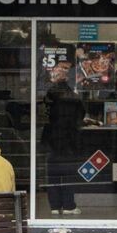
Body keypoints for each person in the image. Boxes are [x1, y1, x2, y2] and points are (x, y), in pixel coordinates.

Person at [43, 68, 83, 216]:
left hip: (52, 138)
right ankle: (68, 205)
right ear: (66, 79)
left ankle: (54, 206)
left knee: (52, 173)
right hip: (69, 138)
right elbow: (80, 116)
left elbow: (44, 115)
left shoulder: (48, 96)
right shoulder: (74, 96)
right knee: (68, 172)